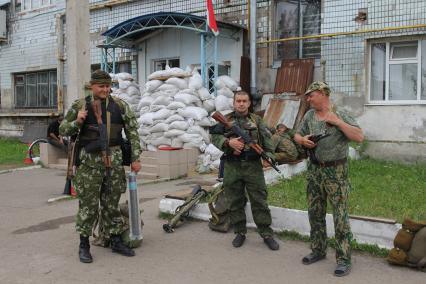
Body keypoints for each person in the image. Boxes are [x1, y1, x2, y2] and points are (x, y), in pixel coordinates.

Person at [59, 70, 142, 263]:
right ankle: (84, 244)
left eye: (107, 86)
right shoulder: (80, 105)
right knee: (88, 206)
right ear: (92, 86)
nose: (105, 89)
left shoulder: (120, 106)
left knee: (111, 203)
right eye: (101, 86)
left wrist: (136, 158)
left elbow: (133, 133)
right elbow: (63, 129)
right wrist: (77, 121)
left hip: (113, 161)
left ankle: (114, 239)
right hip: (89, 164)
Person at [294, 81, 364, 277]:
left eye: (311, 95)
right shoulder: (309, 115)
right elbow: (297, 135)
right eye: (307, 96)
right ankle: (318, 249)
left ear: (323, 93)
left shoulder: (340, 113)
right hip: (315, 171)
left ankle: (344, 259)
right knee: (315, 212)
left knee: (340, 216)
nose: (308, 98)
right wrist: (302, 140)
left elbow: (359, 137)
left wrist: (338, 123)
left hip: (336, 172)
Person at [210, 90, 280, 251]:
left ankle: (266, 233)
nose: (241, 104)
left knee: (259, 200)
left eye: (244, 101)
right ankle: (240, 232)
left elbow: (267, 140)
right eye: (238, 101)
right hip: (232, 166)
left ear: (249, 103)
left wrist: (268, 157)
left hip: (253, 166)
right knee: (235, 201)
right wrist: (228, 143)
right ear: (234, 103)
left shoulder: (257, 120)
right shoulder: (225, 119)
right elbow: (214, 136)